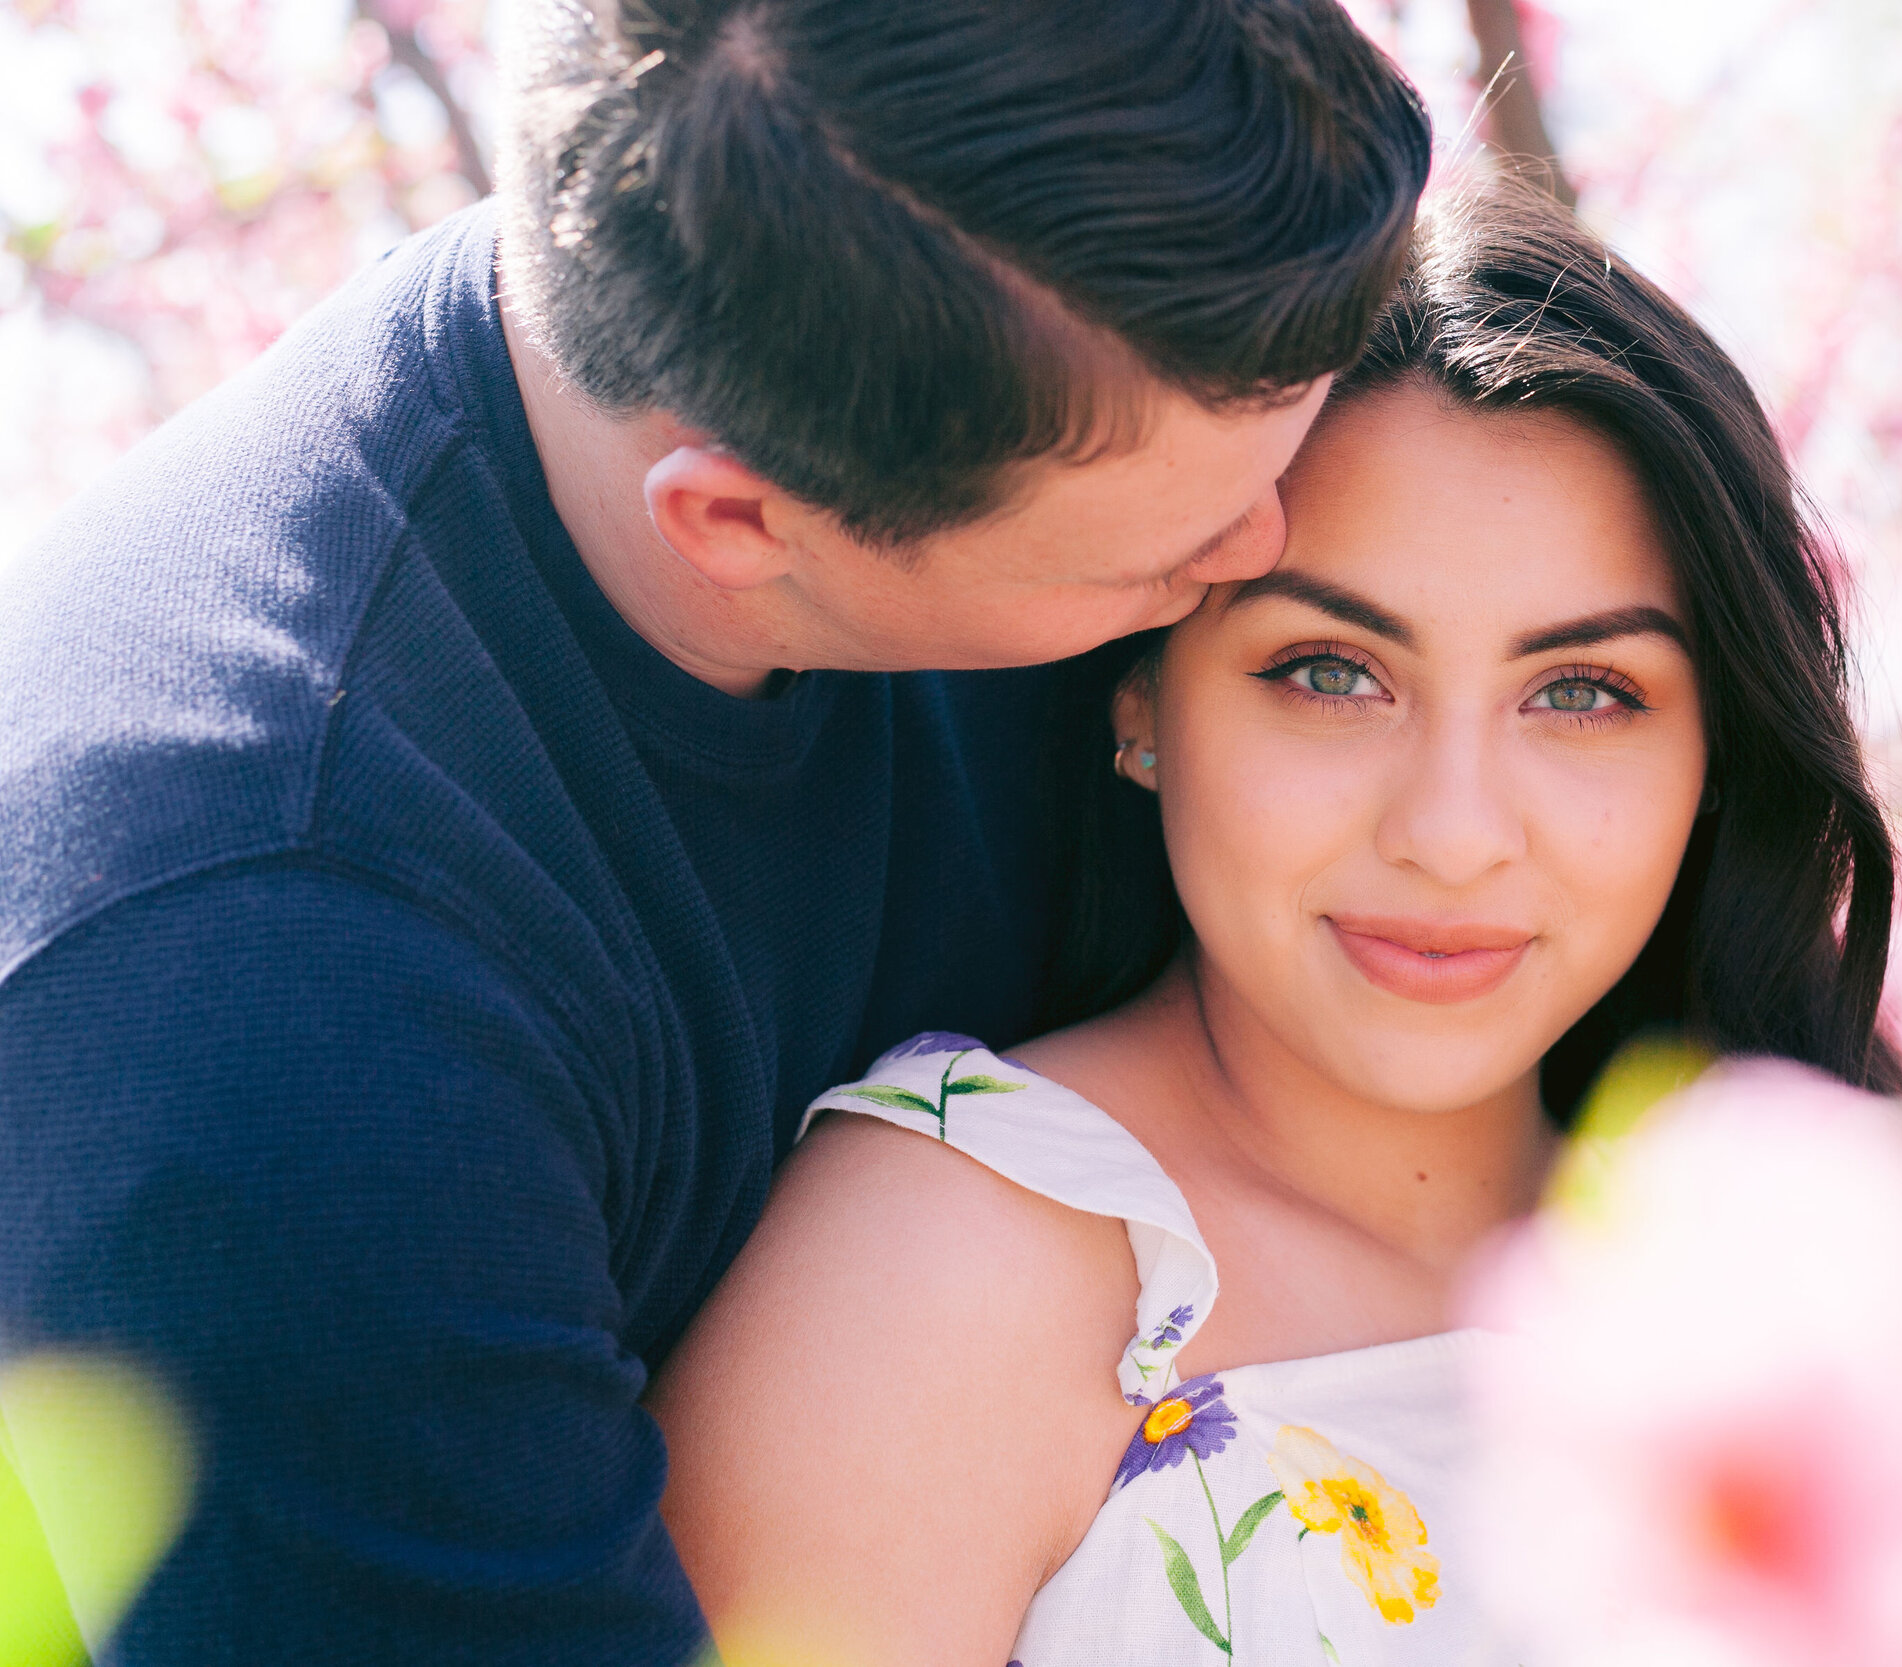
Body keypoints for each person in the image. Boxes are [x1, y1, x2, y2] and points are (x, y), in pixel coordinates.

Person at [0, 2, 1427, 1659]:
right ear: (738, 521)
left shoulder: (922, 305)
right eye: (1168, 553)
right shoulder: (279, 1009)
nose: (1272, 547)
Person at [651, 177, 1902, 1667]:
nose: (1451, 834)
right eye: (1330, 671)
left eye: (1583, 694)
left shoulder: (1776, 1271)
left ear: (1714, 761)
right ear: (1142, 702)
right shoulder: (951, 1279)